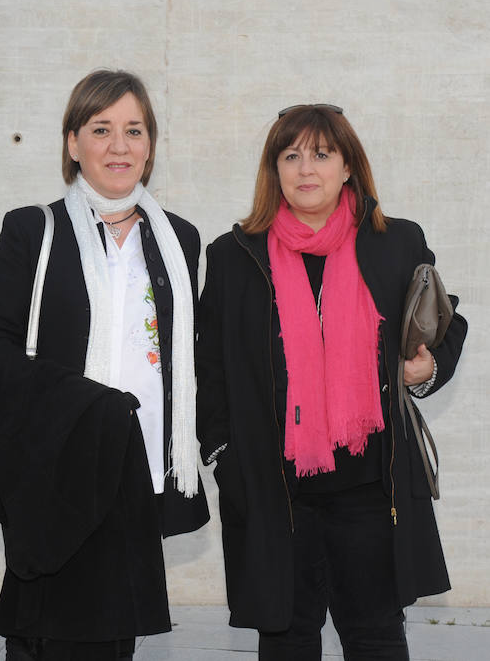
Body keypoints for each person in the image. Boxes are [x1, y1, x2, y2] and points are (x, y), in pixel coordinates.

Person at [196, 104, 468, 659]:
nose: (305, 169)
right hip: (276, 491)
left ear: (348, 166)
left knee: (374, 638)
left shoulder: (395, 242)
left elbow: (447, 320)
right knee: (287, 640)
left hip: (371, 487)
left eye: (321, 154)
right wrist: (223, 451)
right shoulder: (235, 255)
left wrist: (429, 367)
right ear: (274, 170)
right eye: (290, 156)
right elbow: (210, 364)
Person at [0, 69, 210, 660]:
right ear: (72, 142)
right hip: (54, 470)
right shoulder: (34, 230)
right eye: (101, 129)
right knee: (43, 639)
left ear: (151, 145)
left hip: (140, 473)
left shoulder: (180, 239)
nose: (119, 146)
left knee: (110, 642)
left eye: (134, 130)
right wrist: (84, 408)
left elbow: (186, 354)